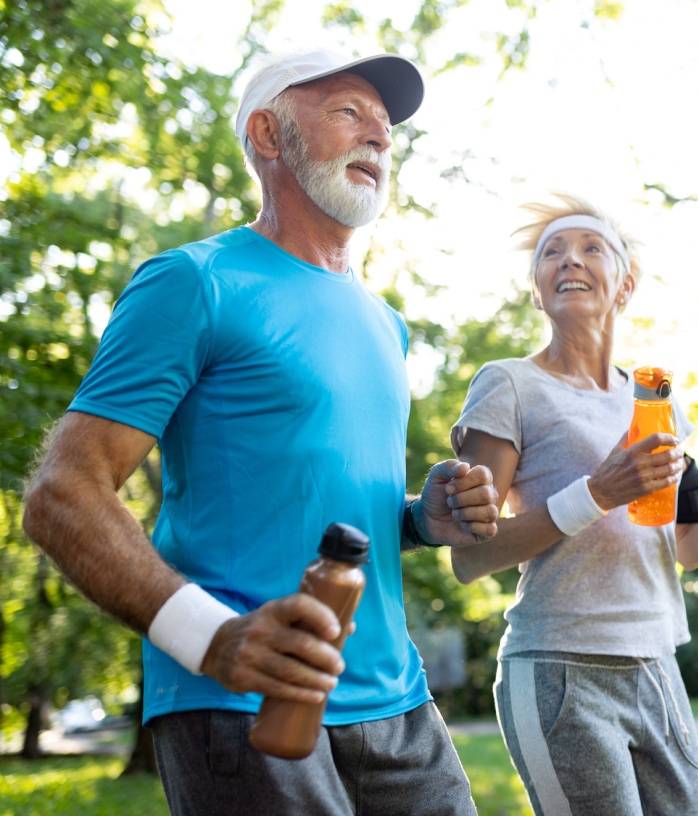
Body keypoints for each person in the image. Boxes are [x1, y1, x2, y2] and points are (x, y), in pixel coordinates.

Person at [22, 49, 499, 816]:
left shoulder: (387, 326)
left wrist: (418, 519)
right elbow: (61, 495)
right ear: (269, 135)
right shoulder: (194, 282)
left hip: (399, 705)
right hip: (238, 706)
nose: (378, 135)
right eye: (351, 112)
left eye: (386, 127)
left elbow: (319, 503)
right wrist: (214, 640)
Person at [449, 195, 698, 815]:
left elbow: (680, 548)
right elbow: (471, 558)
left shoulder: (659, 399)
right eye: (552, 252)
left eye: (590, 248)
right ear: (536, 292)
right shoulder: (509, 384)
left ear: (625, 285)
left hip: (657, 665)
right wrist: (599, 492)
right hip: (558, 667)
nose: (569, 260)